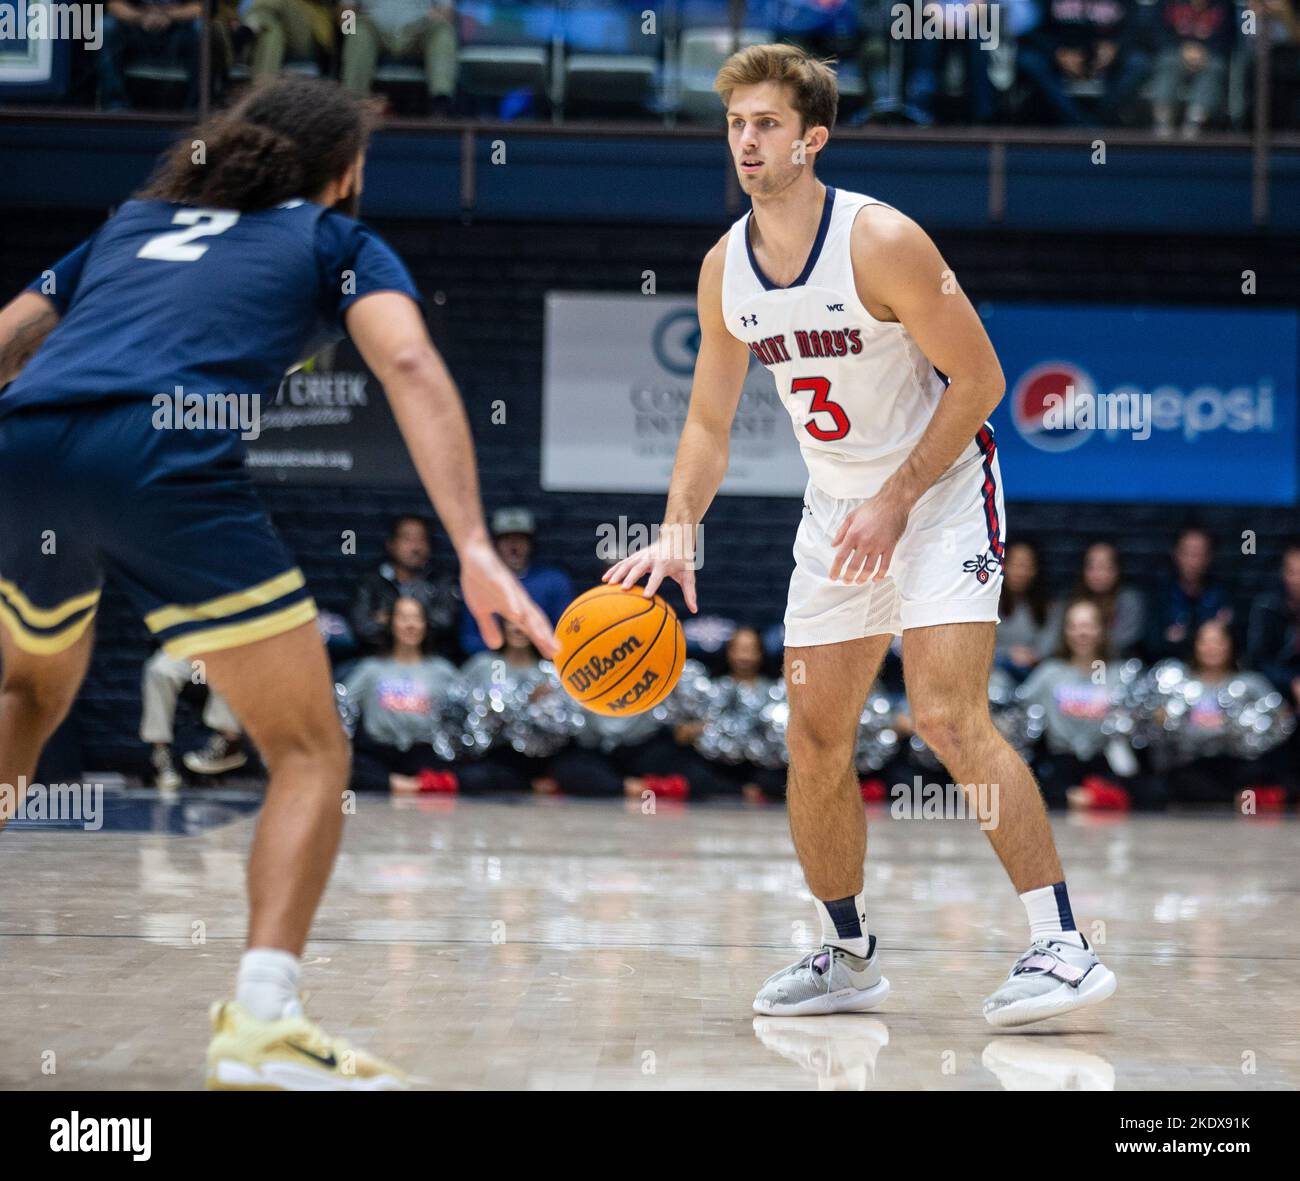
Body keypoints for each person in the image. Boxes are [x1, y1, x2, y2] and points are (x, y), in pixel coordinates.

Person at [0, 76, 557, 1090]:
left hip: (25, 447)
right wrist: (472, 544)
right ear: (342, 171)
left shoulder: (134, 221)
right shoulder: (335, 243)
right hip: (160, 451)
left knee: (26, 694)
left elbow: (7, 338)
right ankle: (261, 1020)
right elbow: (414, 368)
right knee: (308, 748)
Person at [603, 43, 1116, 1026]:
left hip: (941, 493)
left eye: (765, 125)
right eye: (735, 124)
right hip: (837, 511)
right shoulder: (725, 269)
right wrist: (676, 533)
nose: (745, 141)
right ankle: (844, 950)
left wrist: (896, 497)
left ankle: (1061, 941)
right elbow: (709, 422)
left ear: (811, 139)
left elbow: (981, 383)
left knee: (945, 714)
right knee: (813, 731)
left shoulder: (880, 239)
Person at [1016, 599, 1155, 811]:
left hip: (1103, 762)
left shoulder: (1118, 673)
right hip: (1060, 763)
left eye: (1088, 625)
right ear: (1066, 631)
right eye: (1075, 626)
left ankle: (1091, 797)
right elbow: (1020, 709)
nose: (1082, 633)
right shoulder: (1050, 672)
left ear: (1101, 630)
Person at [344, 597, 461, 793]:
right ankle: (412, 785)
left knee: (474, 771)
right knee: (350, 766)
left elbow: (464, 711)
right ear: (391, 624)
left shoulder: (443, 671)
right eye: (403, 618)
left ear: (425, 625)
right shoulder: (370, 669)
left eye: (417, 618)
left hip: (424, 751)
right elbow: (342, 705)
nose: (410, 625)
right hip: (379, 751)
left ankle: (399, 784)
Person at [458, 507, 573, 656]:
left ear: (531, 543)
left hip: (545, 664)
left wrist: (529, 645)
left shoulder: (554, 581)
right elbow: (468, 639)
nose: (513, 546)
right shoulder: (480, 583)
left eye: (520, 539)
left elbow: (567, 635)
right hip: (493, 664)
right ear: (495, 544)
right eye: (506, 539)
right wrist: (508, 645)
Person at [350, 513, 460, 656]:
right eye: (407, 539)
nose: (416, 547)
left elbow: (446, 622)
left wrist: (386, 618)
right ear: (391, 544)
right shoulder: (371, 582)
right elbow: (362, 626)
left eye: (421, 539)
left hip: (431, 660)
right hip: (378, 658)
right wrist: (413, 620)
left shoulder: (440, 580)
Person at [140, 648, 245, 789]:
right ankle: (161, 756)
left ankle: (229, 743)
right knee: (158, 670)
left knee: (231, 663)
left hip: (227, 649)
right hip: (192, 653)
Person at [1147, 526, 1233, 660]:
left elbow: (1230, 642)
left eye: (1199, 553)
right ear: (1176, 554)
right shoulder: (1161, 595)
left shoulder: (1223, 595)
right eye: (1188, 553)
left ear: (1209, 557)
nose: (1193, 561)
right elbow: (1152, 644)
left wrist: (1182, 636)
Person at [1068, 539, 1145, 657]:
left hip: (1117, 663)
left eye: (1104, 566)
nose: (1097, 573)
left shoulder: (1129, 600)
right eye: (1091, 566)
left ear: (1116, 570)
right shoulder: (1072, 601)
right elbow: (1056, 642)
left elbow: (1124, 641)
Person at [994, 539, 1059, 678]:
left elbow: (1051, 641)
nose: (1020, 571)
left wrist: (1034, 655)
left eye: (1026, 565)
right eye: (1015, 564)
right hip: (995, 669)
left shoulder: (1049, 605)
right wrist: (1008, 653)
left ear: (1035, 569)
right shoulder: (989, 603)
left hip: (1035, 671)